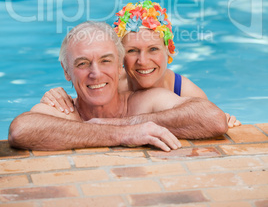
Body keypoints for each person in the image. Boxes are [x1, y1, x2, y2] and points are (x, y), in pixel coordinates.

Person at [9, 21, 228, 152]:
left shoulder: (147, 101)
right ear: (66, 71)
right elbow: (20, 131)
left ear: (119, 66)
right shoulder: (64, 110)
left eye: (106, 61)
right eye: (82, 63)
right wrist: (125, 133)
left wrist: (125, 122)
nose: (96, 74)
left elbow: (212, 119)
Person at [42, 1, 240, 127]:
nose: (143, 61)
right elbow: (85, 94)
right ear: (119, 59)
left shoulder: (185, 91)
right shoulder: (110, 81)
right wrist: (60, 96)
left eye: (153, 49)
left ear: (168, 50)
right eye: (132, 51)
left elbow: (209, 119)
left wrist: (226, 119)